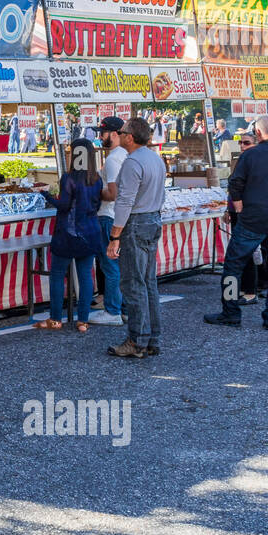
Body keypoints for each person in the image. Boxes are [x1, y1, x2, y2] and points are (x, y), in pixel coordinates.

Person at [204, 115, 268, 331]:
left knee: (233, 265)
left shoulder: (251, 156)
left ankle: (230, 311)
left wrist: (240, 209)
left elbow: (235, 184)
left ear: (258, 133)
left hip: (253, 221)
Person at [105, 117, 167, 358]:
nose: (118, 136)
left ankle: (137, 340)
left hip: (137, 222)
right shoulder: (155, 159)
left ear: (129, 137)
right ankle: (152, 338)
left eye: (121, 132)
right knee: (148, 282)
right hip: (153, 218)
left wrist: (115, 235)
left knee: (133, 283)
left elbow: (125, 201)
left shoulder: (132, 163)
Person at [35, 138, 104, 333]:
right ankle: (83, 321)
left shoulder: (69, 178)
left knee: (57, 275)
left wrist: (46, 195)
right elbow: (96, 205)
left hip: (68, 233)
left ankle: (56, 319)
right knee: (85, 276)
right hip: (90, 232)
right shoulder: (96, 178)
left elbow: (64, 205)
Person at [89, 116, 126, 327]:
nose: (99, 137)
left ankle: (112, 311)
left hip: (108, 215)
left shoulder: (113, 159)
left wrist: (94, 191)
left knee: (109, 265)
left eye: (102, 133)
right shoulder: (126, 155)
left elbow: (113, 193)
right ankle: (124, 309)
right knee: (118, 266)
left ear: (113, 134)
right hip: (119, 216)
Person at [229, 132, 268, 303]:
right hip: (238, 211)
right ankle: (244, 290)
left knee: (248, 252)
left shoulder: (256, 161)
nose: (242, 146)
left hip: (248, 212)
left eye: (246, 143)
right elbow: (233, 187)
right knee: (241, 253)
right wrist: (229, 208)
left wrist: (239, 207)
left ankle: (250, 291)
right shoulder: (241, 160)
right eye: (240, 143)